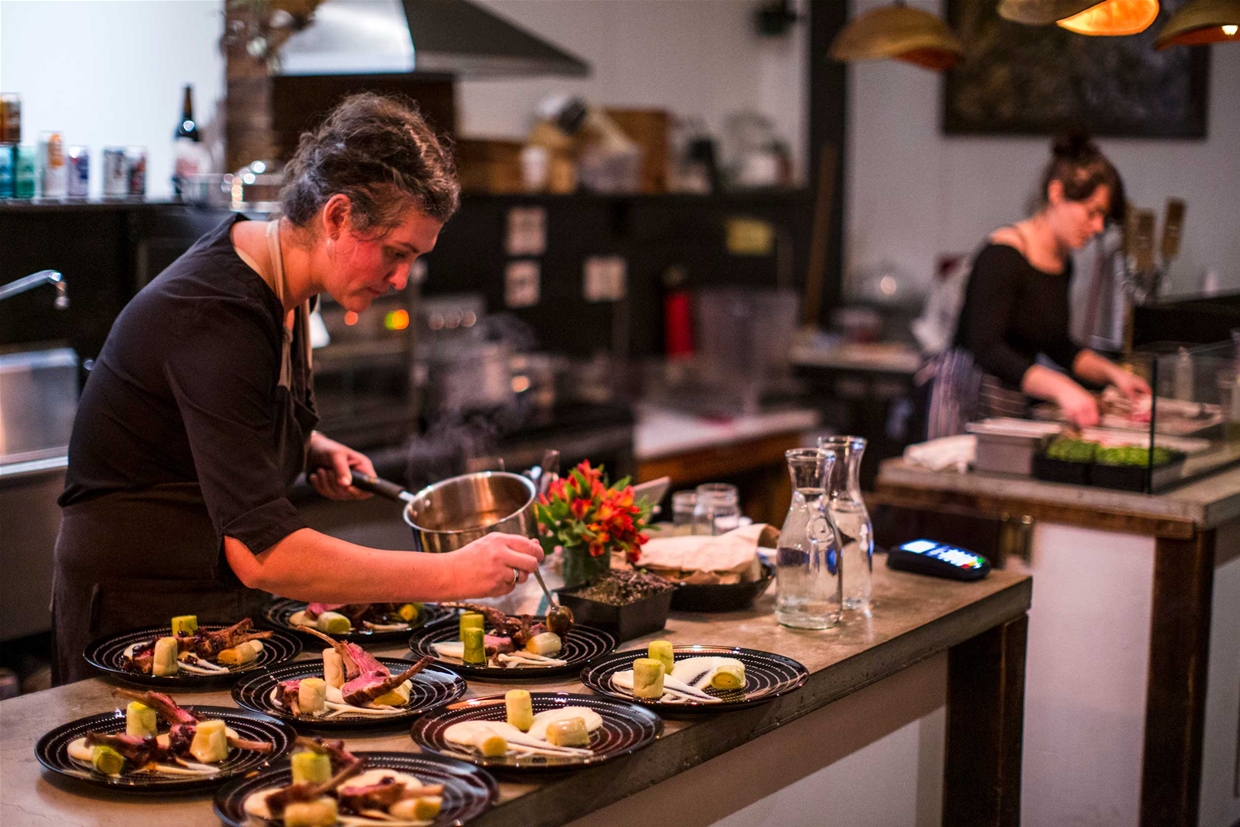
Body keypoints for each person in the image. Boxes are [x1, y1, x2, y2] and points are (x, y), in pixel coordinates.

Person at [51, 94, 544, 684]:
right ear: (337, 217)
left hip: (207, 606)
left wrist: (310, 445)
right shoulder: (219, 312)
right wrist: (449, 574)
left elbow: (218, 415)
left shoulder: (287, 286)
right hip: (138, 617)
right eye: (395, 252)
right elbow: (265, 555)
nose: (400, 278)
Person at [926, 131, 1150, 439]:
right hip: (965, 399)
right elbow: (987, 347)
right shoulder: (1002, 254)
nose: (1098, 227)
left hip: (1011, 399)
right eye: (1092, 212)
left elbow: (1057, 344)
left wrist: (1115, 375)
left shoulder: (1062, 262)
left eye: (1103, 218)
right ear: (1057, 194)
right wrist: (1063, 388)